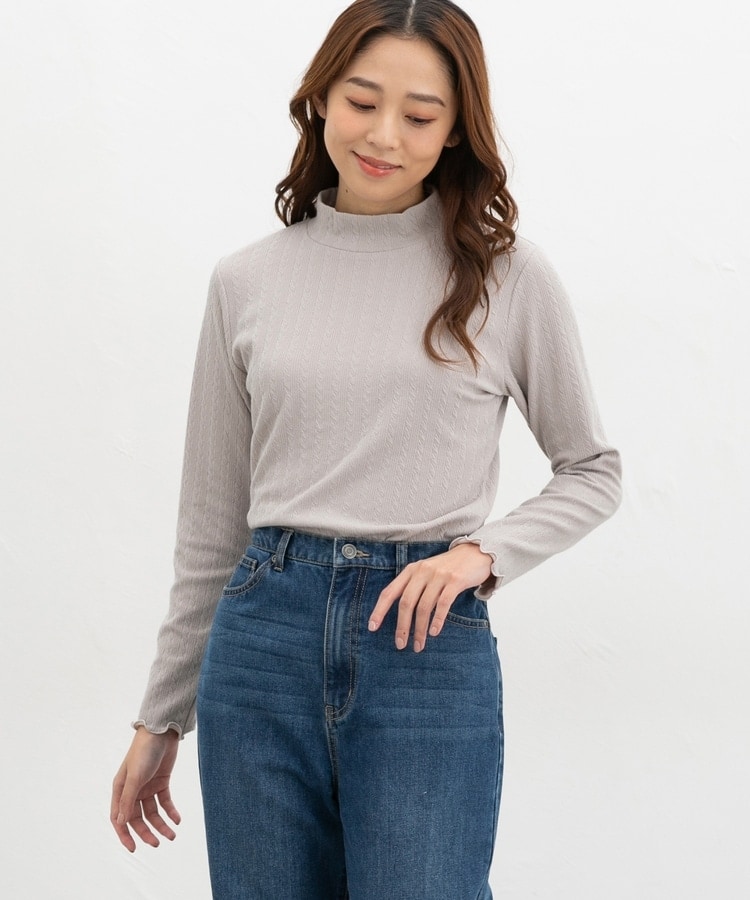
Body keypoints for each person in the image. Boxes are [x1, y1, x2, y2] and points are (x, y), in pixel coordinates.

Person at [110, 0, 622, 896]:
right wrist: (162, 714)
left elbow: (593, 470)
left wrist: (480, 554)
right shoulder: (247, 280)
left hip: (424, 642)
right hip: (261, 641)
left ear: (456, 129)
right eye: (360, 101)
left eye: (420, 116)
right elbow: (213, 522)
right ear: (319, 99)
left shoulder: (507, 276)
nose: (384, 135)